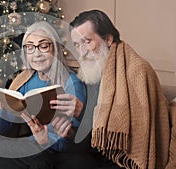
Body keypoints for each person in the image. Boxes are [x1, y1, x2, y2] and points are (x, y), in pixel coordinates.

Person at [69, 9, 173, 169]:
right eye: (77, 45)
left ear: (108, 39)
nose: (81, 52)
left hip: (124, 158)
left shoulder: (138, 69)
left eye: (87, 42)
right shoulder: (91, 72)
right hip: (98, 151)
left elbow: (136, 136)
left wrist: (82, 112)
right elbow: (96, 133)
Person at [0, 21, 87, 169]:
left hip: (60, 151)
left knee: (35, 161)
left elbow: (76, 138)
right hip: (35, 145)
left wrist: (46, 140)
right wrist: (2, 106)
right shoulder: (25, 80)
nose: (36, 53)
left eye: (43, 46)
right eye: (30, 47)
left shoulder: (72, 83)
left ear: (55, 48)